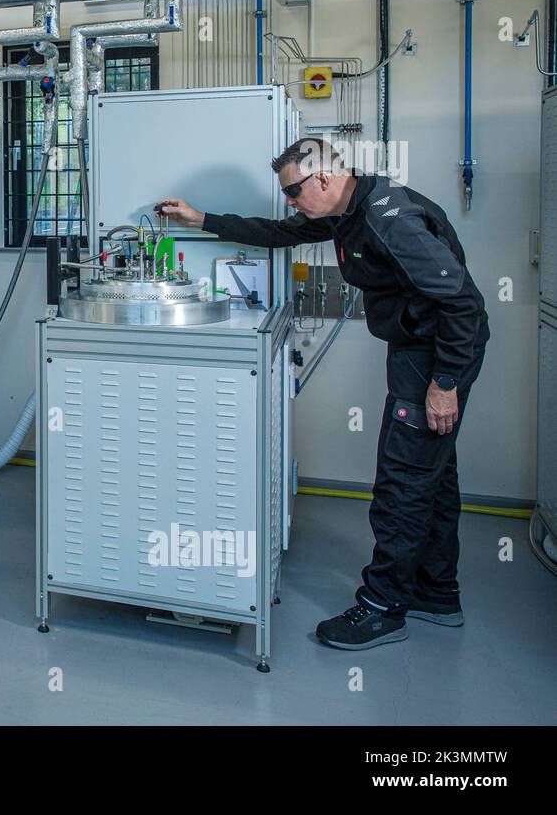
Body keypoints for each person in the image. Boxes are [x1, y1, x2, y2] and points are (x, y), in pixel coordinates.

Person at [156, 138, 489, 651]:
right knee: (433, 476)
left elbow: (462, 302)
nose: (290, 202)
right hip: (417, 345)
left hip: (437, 351)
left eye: (293, 191)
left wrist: (444, 383)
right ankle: (436, 592)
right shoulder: (346, 210)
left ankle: (382, 609)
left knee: (402, 480)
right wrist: (203, 219)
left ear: (324, 180)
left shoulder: (387, 218)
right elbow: (279, 233)